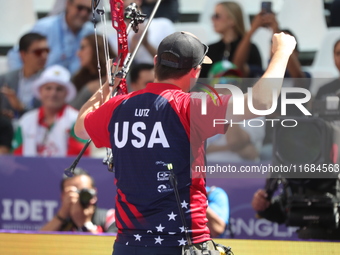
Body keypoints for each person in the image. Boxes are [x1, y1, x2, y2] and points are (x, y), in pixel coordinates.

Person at [74, 31, 296, 254]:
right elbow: (262, 101)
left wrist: (109, 86)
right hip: (183, 244)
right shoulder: (192, 106)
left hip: (128, 245)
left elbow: (81, 128)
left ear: (155, 63)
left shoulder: (118, 107)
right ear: (196, 71)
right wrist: (282, 51)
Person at [12, 65, 89, 157]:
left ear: (66, 93)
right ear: (40, 91)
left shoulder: (76, 120)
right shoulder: (26, 120)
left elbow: (79, 156)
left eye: (59, 89)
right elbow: (16, 156)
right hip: (28, 171)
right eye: (48, 88)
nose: (53, 93)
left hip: (64, 171)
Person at [7, 0, 94, 75]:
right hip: (43, 88)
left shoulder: (91, 31)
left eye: (89, 10)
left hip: (75, 87)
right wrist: (24, 82)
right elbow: (15, 55)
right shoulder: (45, 27)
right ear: (68, 4)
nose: (84, 13)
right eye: (80, 8)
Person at [40, 168, 117, 233]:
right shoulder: (60, 224)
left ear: (94, 193)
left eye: (84, 192)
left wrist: (85, 224)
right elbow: (37, 243)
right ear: (63, 196)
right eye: (72, 193)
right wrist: (61, 215)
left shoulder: (110, 217)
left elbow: (109, 248)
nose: (78, 197)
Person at [200, 1, 263, 78]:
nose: (212, 19)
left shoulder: (251, 48)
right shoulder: (210, 49)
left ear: (231, 20)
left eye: (217, 16)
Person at [109, 0, 176, 65]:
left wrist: (146, 43)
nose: (123, 12)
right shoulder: (113, 38)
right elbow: (118, 70)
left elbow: (171, 62)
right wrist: (132, 48)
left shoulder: (163, 25)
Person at [0, 33, 48, 118]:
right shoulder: (5, 79)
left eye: (47, 51)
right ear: (23, 54)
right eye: (38, 52)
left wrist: (21, 107)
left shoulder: (50, 81)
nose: (44, 56)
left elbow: (49, 114)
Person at [70, 34, 115, 110]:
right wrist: (87, 90)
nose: (78, 53)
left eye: (82, 48)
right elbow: (71, 110)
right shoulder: (77, 79)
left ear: (96, 49)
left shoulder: (117, 74)